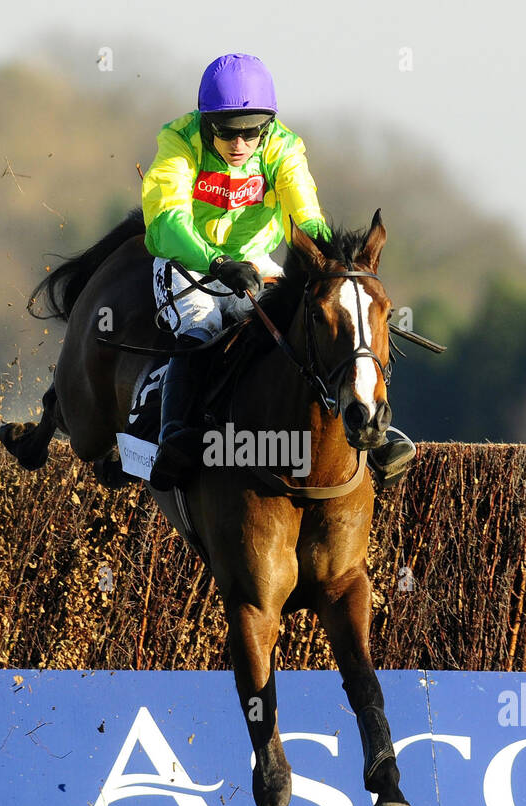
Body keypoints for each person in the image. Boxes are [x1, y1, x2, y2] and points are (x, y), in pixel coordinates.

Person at [141, 52, 415, 492]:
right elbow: (165, 223)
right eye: (227, 132)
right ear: (206, 122)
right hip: (186, 262)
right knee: (201, 326)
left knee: (318, 323)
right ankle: (175, 433)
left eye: (251, 132)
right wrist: (216, 262)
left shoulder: (284, 147)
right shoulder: (179, 141)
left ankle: (370, 429)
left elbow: (306, 215)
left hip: (255, 260)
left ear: (267, 125)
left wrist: (332, 267)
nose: (239, 144)